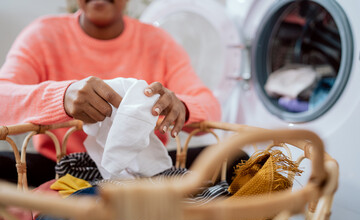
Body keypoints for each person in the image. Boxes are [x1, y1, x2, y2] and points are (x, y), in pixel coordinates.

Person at [0, 0, 221, 186]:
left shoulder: (159, 42)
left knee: (231, 158)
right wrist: (62, 97)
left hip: (143, 169)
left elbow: (210, 106)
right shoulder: (43, 34)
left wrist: (179, 106)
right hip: (59, 167)